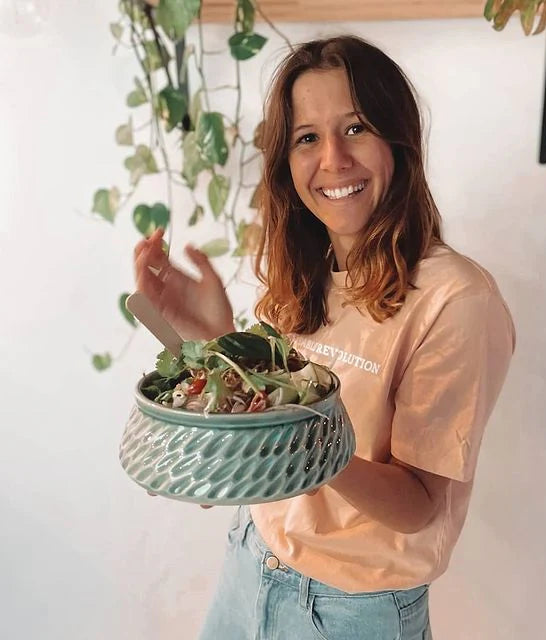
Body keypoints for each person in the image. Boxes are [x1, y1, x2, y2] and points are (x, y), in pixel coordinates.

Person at [134, 35, 515, 640]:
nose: (333, 159)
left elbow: (417, 506)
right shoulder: (306, 276)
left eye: (356, 128)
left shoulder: (456, 299)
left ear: (399, 140)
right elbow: (273, 424)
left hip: (348, 612)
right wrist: (217, 341)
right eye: (307, 138)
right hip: (251, 559)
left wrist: (296, 437)